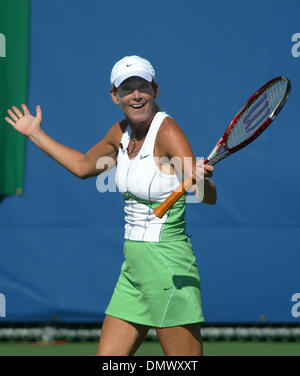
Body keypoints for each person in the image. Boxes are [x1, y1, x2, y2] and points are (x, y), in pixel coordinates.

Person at [5, 55, 216, 356]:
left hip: (168, 266)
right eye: (127, 89)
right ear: (114, 95)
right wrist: (35, 133)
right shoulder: (119, 133)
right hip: (133, 269)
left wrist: (199, 180)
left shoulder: (167, 131)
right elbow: (82, 166)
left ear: (155, 90)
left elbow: (209, 195)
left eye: (143, 86)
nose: (137, 95)